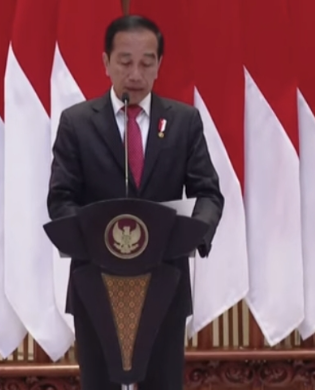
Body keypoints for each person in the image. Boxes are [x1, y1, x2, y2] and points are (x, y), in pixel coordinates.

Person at [47, 15, 224, 390]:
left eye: (146, 62)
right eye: (125, 61)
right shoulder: (77, 123)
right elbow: (61, 199)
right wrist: (94, 237)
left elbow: (208, 192)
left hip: (164, 278)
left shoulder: (183, 121)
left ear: (159, 65)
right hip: (96, 281)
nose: (135, 73)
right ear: (106, 62)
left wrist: (195, 235)